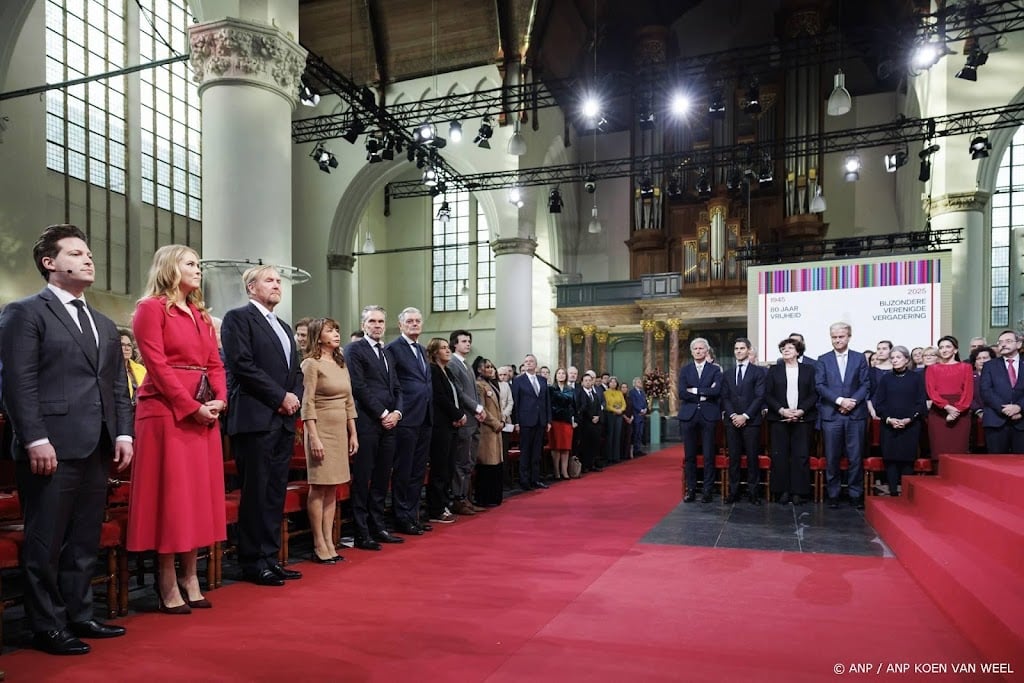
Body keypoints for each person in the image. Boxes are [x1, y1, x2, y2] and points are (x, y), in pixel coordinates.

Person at [0, 224, 133, 655]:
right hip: (50, 444)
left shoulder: (101, 322)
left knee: (84, 537)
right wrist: (34, 437)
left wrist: (124, 432)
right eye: (76, 253)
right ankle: (47, 624)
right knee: (46, 539)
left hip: (96, 442)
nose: (88, 259)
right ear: (50, 263)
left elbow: (116, 385)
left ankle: (80, 613)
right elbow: (17, 383)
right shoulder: (25, 312)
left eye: (89, 253)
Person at [127, 245, 227, 613]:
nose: (198, 269)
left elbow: (216, 363)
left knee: (197, 497)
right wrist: (191, 407)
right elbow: (156, 365)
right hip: (166, 412)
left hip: (203, 411)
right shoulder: (150, 309)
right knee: (173, 497)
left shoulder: (201, 314)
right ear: (169, 268)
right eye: (190, 263)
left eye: (198, 264)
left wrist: (219, 399)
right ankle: (167, 579)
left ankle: (191, 575)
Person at [222, 265, 304, 586]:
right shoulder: (238, 318)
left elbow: (295, 371)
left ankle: (271, 558)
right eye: (269, 280)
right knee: (255, 493)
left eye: (278, 281)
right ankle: (253, 561)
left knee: (274, 493)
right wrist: (279, 397)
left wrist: (293, 397)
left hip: (283, 419)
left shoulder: (283, 326)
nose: (276, 285)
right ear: (251, 288)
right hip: (256, 418)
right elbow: (242, 365)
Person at [344, 305, 405, 550]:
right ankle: (361, 532)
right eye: (372, 321)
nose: (377, 325)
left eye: (381, 321)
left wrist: (397, 413)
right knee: (363, 478)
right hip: (368, 422)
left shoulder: (387, 352)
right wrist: (382, 413)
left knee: (382, 477)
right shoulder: (354, 350)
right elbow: (359, 387)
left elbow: (397, 387)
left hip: (390, 423)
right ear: (363, 325)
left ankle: (378, 526)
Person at [300, 317, 357, 564]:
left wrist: (353, 432)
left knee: (333, 487)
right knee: (319, 486)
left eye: (337, 329)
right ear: (318, 335)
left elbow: (349, 401)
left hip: (340, 430)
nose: (335, 334)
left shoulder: (340, 363)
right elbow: (307, 402)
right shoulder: (311, 364)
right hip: (320, 429)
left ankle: (330, 540)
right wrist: (313, 437)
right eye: (330, 330)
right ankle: (318, 542)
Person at [385, 307, 433, 535]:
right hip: (406, 417)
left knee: (417, 470)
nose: (414, 324)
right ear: (401, 324)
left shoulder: (423, 351)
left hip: (425, 416)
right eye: (410, 321)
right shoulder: (393, 348)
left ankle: (412, 514)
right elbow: (392, 384)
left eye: (417, 321)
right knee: (403, 470)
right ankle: (400, 516)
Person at [816, 322, 870, 509]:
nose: (837, 340)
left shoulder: (859, 358)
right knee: (832, 457)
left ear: (849, 336)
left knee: (855, 457)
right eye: (834, 337)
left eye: (841, 336)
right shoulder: (822, 359)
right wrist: (840, 401)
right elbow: (820, 385)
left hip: (855, 415)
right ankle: (833, 494)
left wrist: (851, 402)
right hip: (832, 415)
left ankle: (855, 494)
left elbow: (865, 384)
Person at [765, 337, 817, 505]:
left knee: (800, 456)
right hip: (779, 419)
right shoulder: (774, 370)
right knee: (780, 456)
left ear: (798, 351)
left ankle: (799, 492)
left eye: (789, 348)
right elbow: (768, 394)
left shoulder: (809, 370)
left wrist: (801, 411)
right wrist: (782, 411)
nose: (785, 350)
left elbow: (814, 394)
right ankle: (782, 491)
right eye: (783, 348)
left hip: (802, 419)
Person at [873, 346, 927, 497]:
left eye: (898, 357)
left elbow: (920, 401)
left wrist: (908, 419)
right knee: (890, 458)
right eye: (893, 358)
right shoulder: (886, 379)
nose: (895, 360)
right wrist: (889, 419)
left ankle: (906, 491)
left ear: (906, 360)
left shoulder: (916, 378)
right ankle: (892, 491)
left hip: (910, 424)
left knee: (907, 459)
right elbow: (879, 403)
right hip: (889, 425)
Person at [721, 338, 767, 504]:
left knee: (752, 457)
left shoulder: (758, 372)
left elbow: (760, 396)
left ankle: (753, 493)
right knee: (733, 458)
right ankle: (733, 492)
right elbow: (724, 397)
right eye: (736, 348)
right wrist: (733, 415)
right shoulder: (727, 373)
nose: (738, 351)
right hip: (732, 421)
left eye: (742, 348)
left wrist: (745, 416)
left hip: (751, 421)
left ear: (748, 350)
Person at [678, 337, 722, 503]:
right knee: (690, 455)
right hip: (688, 415)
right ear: (691, 352)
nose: (698, 351)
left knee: (709, 454)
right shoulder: (685, 370)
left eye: (701, 349)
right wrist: (704, 391)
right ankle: (691, 490)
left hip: (708, 415)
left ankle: (707, 491)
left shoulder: (715, 370)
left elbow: (716, 391)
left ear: (707, 351)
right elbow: (682, 393)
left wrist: (694, 390)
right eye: (695, 349)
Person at [426, 338, 464, 524]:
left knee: (448, 467)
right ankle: (435, 508)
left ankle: (444, 503)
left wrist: (458, 415)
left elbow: (455, 395)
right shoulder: (433, 371)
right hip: (440, 426)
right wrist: (457, 414)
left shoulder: (447, 371)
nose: (447, 351)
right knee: (440, 468)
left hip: (451, 424)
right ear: (434, 352)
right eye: (443, 348)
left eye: (448, 348)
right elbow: (440, 398)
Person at [448, 330, 486, 515]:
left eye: (469, 341)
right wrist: (476, 408)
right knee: (461, 462)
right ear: (454, 344)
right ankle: (458, 499)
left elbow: (474, 391)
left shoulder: (467, 365)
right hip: (464, 419)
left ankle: (466, 497)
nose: (468, 344)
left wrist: (479, 408)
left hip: (474, 420)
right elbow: (459, 392)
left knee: (470, 461)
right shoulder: (453, 363)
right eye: (463, 341)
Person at [924, 335, 973, 457]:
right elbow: (931, 391)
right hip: (939, 412)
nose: (944, 350)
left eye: (948, 347)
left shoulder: (966, 367)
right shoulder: (932, 369)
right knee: (939, 449)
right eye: (941, 347)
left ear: (955, 350)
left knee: (959, 450)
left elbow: (968, 391)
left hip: (961, 412)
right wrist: (947, 407)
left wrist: (957, 410)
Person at [979, 330, 1024, 453]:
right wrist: (1005, 409)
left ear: (1019, 344)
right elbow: (985, 391)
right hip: (995, 420)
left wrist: (1019, 407)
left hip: (1021, 420)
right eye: (1000, 342)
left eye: (1008, 341)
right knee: (996, 464)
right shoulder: (989, 365)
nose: (1003, 345)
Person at [512, 353, 552, 491]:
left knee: (537, 452)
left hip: (540, 421)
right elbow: (516, 403)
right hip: (525, 421)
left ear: (536, 364)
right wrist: (516, 422)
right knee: (525, 452)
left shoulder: (542, 380)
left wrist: (548, 420)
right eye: (526, 361)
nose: (528, 363)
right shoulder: (518, 380)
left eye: (531, 361)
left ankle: (535, 479)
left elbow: (546, 401)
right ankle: (524, 481)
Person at [473, 357, 505, 506]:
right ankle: (485, 498)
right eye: (487, 367)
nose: (491, 369)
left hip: (496, 430)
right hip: (487, 430)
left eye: (492, 367)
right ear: (479, 369)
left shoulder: (490, 384)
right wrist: (495, 423)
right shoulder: (479, 385)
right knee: (487, 464)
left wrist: (502, 419)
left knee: (496, 464)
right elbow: (482, 409)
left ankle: (495, 496)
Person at [547, 367, 576, 480]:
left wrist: (574, 420)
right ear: (556, 375)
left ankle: (564, 471)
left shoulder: (570, 389)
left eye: (563, 373)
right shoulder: (551, 389)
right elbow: (549, 404)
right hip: (555, 420)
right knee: (556, 447)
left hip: (567, 421)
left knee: (565, 447)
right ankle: (556, 471)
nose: (561, 375)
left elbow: (573, 406)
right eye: (559, 373)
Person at [575, 372, 604, 473]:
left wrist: (598, 417)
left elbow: (599, 407)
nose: (588, 382)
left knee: (594, 444)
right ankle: (584, 466)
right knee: (585, 445)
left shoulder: (595, 394)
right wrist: (591, 417)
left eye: (589, 380)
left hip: (595, 424)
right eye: (585, 381)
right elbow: (582, 408)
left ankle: (592, 464)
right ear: (582, 383)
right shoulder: (580, 393)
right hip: (585, 423)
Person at [119, 328, 147, 405]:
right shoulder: (109, 368)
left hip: (140, 409)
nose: (127, 348)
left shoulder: (141, 369)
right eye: (122, 345)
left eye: (129, 345)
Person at [603, 377, 626, 465]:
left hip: (619, 416)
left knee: (617, 436)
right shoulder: (605, 393)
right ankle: (609, 457)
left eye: (615, 382)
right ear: (608, 383)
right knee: (610, 436)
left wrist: (621, 410)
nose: (613, 383)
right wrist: (615, 410)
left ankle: (616, 456)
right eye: (611, 382)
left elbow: (624, 404)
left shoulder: (619, 393)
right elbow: (607, 405)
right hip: (610, 415)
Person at [969, 346, 995, 415]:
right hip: (975, 414)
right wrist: (978, 410)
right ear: (974, 362)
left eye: (985, 358)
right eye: (978, 358)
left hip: (996, 413)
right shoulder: (969, 377)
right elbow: (968, 396)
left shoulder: (999, 375)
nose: (982, 361)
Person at [626, 377, 648, 457]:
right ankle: (635, 450)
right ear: (634, 383)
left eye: (640, 382)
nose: (640, 383)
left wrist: (645, 409)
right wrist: (640, 410)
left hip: (642, 416)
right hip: (636, 415)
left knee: (640, 433)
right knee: (636, 433)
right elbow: (633, 403)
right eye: (638, 382)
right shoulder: (632, 392)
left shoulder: (642, 392)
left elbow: (645, 402)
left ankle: (638, 449)